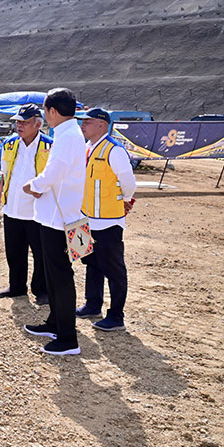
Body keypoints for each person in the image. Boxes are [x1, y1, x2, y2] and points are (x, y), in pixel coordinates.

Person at [21, 88, 88, 356]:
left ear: (52, 111)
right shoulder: (68, 134)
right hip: (55, 215)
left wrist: (33, 186)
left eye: (46, 112)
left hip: (60, 219)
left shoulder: (68, 136)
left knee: (61, 276)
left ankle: (68, 337)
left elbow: (54, 172)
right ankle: (55, 323)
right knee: (52, 273)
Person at [76, 107, 137, 331]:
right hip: (86, 218)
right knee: (91, 264)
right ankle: (93, 304)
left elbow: (128, 181)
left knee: (113, 269)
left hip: (108, 221)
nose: (83, 125)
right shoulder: (87, 148)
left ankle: (116, 316)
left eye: (87, 121)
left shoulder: (114, 150)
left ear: (102, 125)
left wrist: (126, 200)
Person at [0, 103, 51, 305]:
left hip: (38, 210)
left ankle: (41, 290)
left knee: (40, 254)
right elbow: (5, 172)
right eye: (18, 122)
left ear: (37, 124)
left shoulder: (49, 146)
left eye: (24, 122)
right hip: (13, 208)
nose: (19, 126)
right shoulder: (10, 145)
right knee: (14, 251)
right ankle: (17, 286)